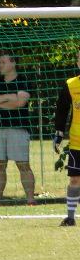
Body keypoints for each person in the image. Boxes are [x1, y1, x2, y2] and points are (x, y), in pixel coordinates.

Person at [0, 53, 36, 206]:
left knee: (23, 164)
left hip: (18, 128)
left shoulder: (23, 81)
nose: (0, 65)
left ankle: (30, 199)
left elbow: (20, 103)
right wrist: (9, 97)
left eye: (3, 62)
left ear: (13, 63)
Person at [53, 50, 80, 227]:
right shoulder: (71, 85)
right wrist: (59, 134)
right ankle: (70, 217)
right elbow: (62, 110)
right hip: (77, 144)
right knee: (75, 179)